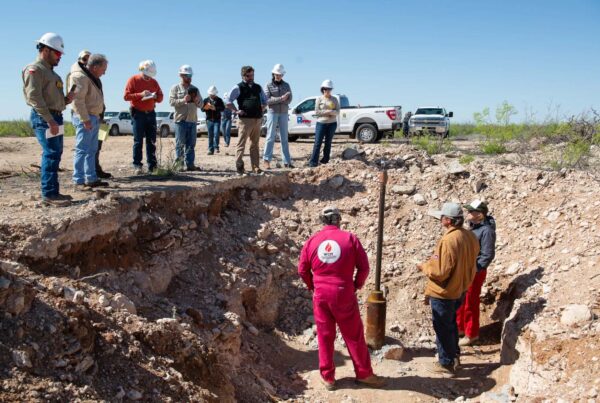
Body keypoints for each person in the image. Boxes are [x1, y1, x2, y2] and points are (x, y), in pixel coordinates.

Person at [298, 206, 386, 390]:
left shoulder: (312, 241)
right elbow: (364, 268)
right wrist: (355, 285)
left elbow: (302, 270)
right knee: (353, 335)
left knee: (324, 335)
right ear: (339, 219)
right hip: (343, 291)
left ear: (322, 221)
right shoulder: (349, 238)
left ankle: (328, 377)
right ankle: (364, 374)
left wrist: (313, 286)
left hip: (321, 294)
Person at [417, 202, 479, 375]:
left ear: (448, 221)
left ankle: (446, 363)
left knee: (443, 328)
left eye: (442, 217)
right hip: (460, 289)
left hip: (444, 292)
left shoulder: (448, 240)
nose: (440, 220)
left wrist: (424, 267)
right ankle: (455, 356)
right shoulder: (469, 236)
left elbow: (440, 272)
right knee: (451, 324)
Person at [22, 33, 75, 206]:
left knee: (56, 153)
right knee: (51, 154)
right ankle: (49, 195)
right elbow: (34, 98)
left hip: (55, 117)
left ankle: (53, 191)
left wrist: (67, 99)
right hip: (46, 118)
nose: (59, 57)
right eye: (57, 54)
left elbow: (55, 100)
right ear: (45, 50)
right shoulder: (35, 70)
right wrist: (50, 120)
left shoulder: (52, 74)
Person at [457, 200, 496, 346]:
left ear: (479, 214)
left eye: (470, 211)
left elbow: (487, 254)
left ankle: (471, 334)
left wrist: (475, 270)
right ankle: (460, 328)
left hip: (474, 272)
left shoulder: (486, 231)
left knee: (470, 302)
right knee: (462, 300)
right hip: (467, 270)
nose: (467, 214)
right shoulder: (474, 228)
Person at [70, 53, 109, 188]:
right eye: (103, 69)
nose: (104, 72)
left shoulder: (91, 77)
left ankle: (91, 178)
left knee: (92, 149)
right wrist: (85, 119)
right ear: (95, 67)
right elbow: (77, 101)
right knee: (82, 149)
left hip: (94, 117)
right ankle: (78, 180)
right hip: (86, 118)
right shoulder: (80, 77)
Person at [225, 66, 267, 175]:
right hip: (245, 120)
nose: (251, 77)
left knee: (255, 145)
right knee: (241, 144)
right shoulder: (238, 87)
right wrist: (236, 111)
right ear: (243, 76)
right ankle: (239, 167)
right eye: (249, 76)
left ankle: (256, 167)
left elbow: (265, 100)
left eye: (252, 75)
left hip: (257, 119)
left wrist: (261, 108)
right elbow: (228, 101)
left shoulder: (258, 87)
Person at [124, 60, 163, 174]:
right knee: (138, 140)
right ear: (141, 71)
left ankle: (152, 166)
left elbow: (160, 97)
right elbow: (126, 96)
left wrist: (155, 96)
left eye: (149, 76)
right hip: (138, 113)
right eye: (146, 75)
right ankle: (137, 166)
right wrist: (141, 94)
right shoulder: (133, 80)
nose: (148, 78)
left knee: (151, 140)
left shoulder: (154, 82)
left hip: (151, 113)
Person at [169, 65, 201, 171]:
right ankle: (179, 165)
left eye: (190, 75)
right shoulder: (175, 88)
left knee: (191, 145)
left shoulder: (195, 89)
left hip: (192, 121)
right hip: (181, 121)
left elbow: (201, 105)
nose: (189, 77)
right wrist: (183, 100)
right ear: (181, 75)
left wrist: (197, 101)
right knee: (180, 144)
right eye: (187, 75)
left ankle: (190, 165)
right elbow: (171, 102)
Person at [263, 63, 293, 169]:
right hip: (272, 113)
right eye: (276, 74)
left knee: (284, 137)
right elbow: (267, 100)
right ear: (273, 74)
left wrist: (284, 99)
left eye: (280, 74)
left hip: (284, 113)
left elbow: (289, 99)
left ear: (282, 75)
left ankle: (287, 161)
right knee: (270, 136)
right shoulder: (268, 85)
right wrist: (281, 99)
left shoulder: (287, 85)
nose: (278, 76)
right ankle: (266, 160)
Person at [308, 80, 339, 167]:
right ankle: (313, 162)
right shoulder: (319, 99)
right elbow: (317, 112)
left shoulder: (334, 99)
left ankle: (325, 160)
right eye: (325, 89)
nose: (327, 90)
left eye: (329, 89)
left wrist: (327, 112)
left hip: (332, 124)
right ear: (323, 89)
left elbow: (337, 111)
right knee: (318, 143)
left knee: (328, 143)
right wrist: (329, 111)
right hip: (321, 123)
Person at [202, 86, 225, 155]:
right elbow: (202, 109)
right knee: (210, 135)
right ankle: (210, 149)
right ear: (209, 94)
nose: (212, 96)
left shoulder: (219, 100)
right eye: (211, 94)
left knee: (216, 133)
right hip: (209, 120)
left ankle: (216, 146)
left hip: (217, 120)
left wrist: (215, 108)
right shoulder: (205, 100)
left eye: (213, 94)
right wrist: (206, 107)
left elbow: (223, 108)